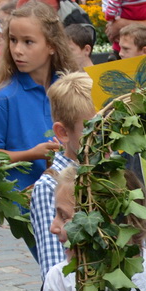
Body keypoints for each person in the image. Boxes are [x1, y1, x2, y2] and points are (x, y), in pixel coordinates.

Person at [0, 0, 73, 192]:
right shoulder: (4, 97)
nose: (17, 50)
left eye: (28, 42)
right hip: (22, 199)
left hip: (65, 196)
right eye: (13, 40)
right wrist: (31, 154)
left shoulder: (68, 88)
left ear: (51, 45)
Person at [31, 69, 92, 280]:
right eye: (91, 130)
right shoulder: (49, 186)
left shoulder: (110, 174)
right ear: (63, 133)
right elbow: (56, 271)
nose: (104, 138)